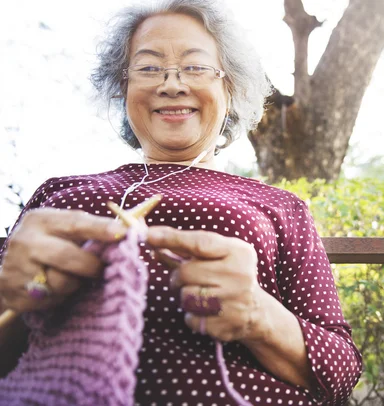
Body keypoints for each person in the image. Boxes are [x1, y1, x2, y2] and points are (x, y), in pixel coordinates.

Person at [0, 1, 363, 405]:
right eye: (149, 68)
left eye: (195, 67)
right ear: (123, 88)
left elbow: (342, 372)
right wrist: (21, 296)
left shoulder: (280, 207)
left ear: (231, 87)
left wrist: (258, 316)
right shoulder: (57, 195)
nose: (171, 84)